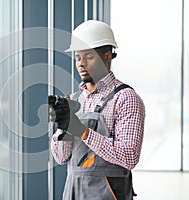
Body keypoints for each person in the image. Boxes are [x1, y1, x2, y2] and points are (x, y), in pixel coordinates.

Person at [49, 20, 145, 200]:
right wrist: (63, 128)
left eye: (89, 57)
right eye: (78, 57)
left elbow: (129, 157)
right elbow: (61, 158)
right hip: (73, 192)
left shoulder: (125, 98)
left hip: (108, 193)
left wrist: (83, 132)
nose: (81, 64)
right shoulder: (73, 100)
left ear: (107, 56)